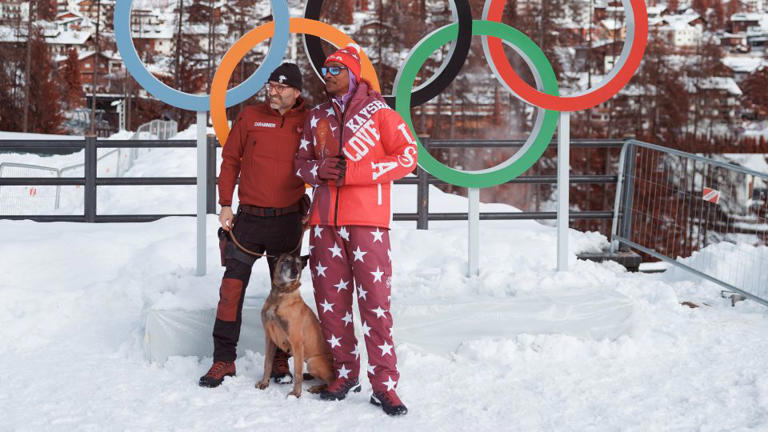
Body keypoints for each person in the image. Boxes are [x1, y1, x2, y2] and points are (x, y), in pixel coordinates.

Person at [294, 44, 418, 416]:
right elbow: (300, 162)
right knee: (331, 304)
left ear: (352, 73)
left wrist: (356, 173)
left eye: (335, 70)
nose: (327, 75)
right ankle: (346, 373)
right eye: (325, 70)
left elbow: (408, 157)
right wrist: (318, 171)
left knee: (375, 305)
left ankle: (385, 385)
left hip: (368, 222)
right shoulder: (316, 116)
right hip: (324, 223)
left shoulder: (381, 113)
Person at [199, 63, 310, 388]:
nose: (273, 92)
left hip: (287, 221)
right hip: (247, 220)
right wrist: (224, 203)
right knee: (230, 290)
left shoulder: (309, 120)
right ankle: (223, 360)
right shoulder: (249, 116)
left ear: (296, 92)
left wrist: (316, 207)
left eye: (281, 87)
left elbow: (321, 164)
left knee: (284, 296)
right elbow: (230, 160)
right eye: (270, 85)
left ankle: (280, 358)